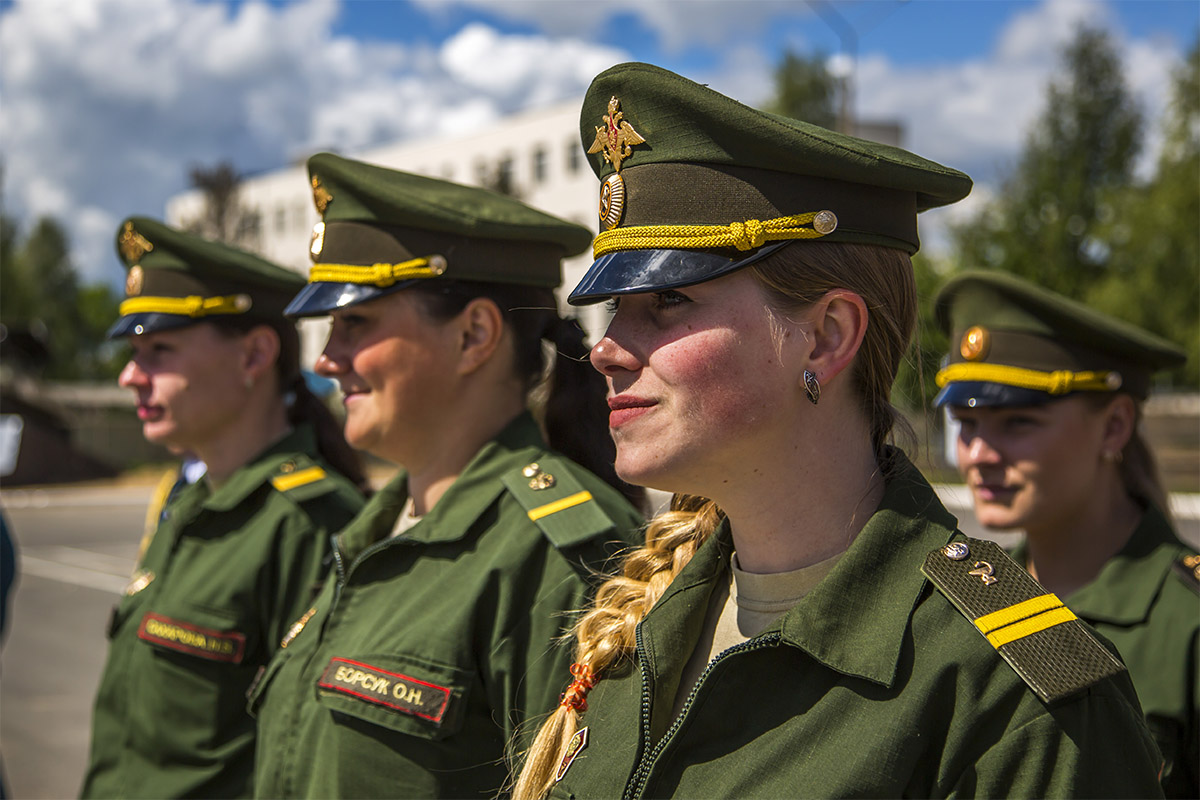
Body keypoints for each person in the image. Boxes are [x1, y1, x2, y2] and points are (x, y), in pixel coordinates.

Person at [513, 62, 1165, 800]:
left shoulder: (1007, 701)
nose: (604, 348)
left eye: (665, 301)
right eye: (612, 310)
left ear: (825, 337)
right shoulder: (639, 631)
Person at [249, 153, 646, 799]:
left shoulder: (554, 556)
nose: (325, 358)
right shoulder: (373, 530)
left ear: (474, 335)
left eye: (354, 323)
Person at [81, 218, 367, 799]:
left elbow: (309, 765)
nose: (130, 375)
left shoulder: (310, 524)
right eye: (134, 351)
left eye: (158, 349)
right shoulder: (191, 501)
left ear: (255, 355)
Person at [934, 269, 1197, 797]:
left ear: (1115, 426)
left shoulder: (1186, 622)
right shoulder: (968, 597)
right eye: (967, 424)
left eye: (1018, 423)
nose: (979, 455)